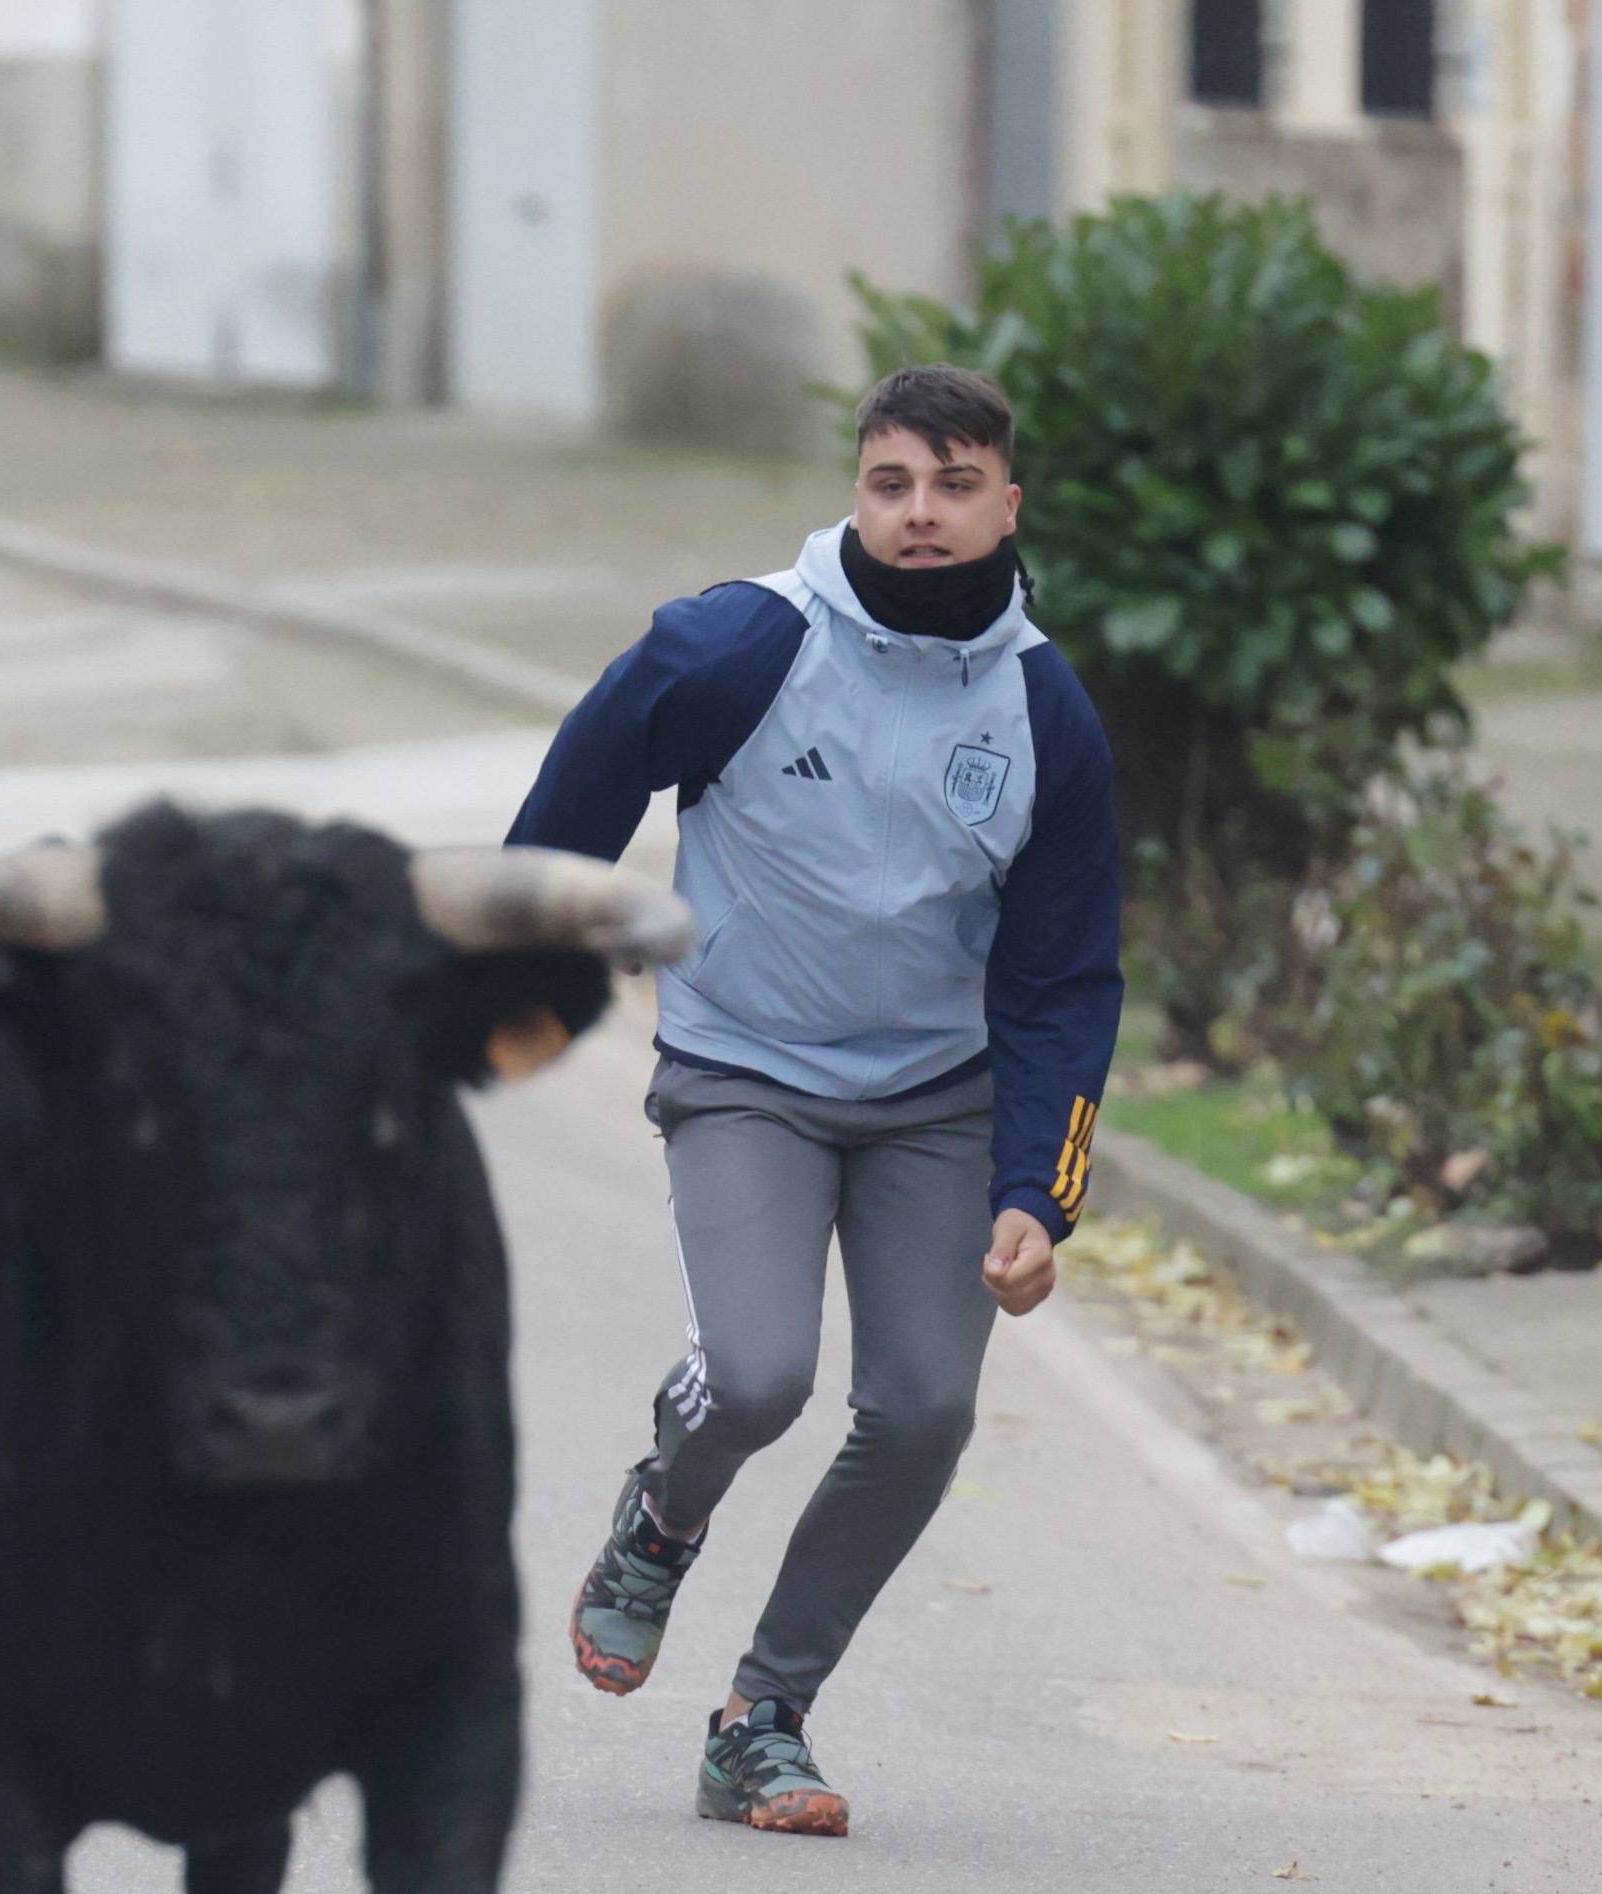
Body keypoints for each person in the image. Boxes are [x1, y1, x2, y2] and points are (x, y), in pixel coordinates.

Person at [507, 364, 1120, 1837]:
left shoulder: (1044, 711)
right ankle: (664, 1510)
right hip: (745, 1069)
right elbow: (578, 795)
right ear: (857, 489)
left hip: (937, 1099)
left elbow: (1062, 980)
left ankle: (761, 1718)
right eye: (890, 482)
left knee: (923, 1410)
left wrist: (1038, 1196)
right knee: (757, 1375)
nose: (919, 514)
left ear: (1007, 504)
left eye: (953, 486)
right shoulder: (742, 644)